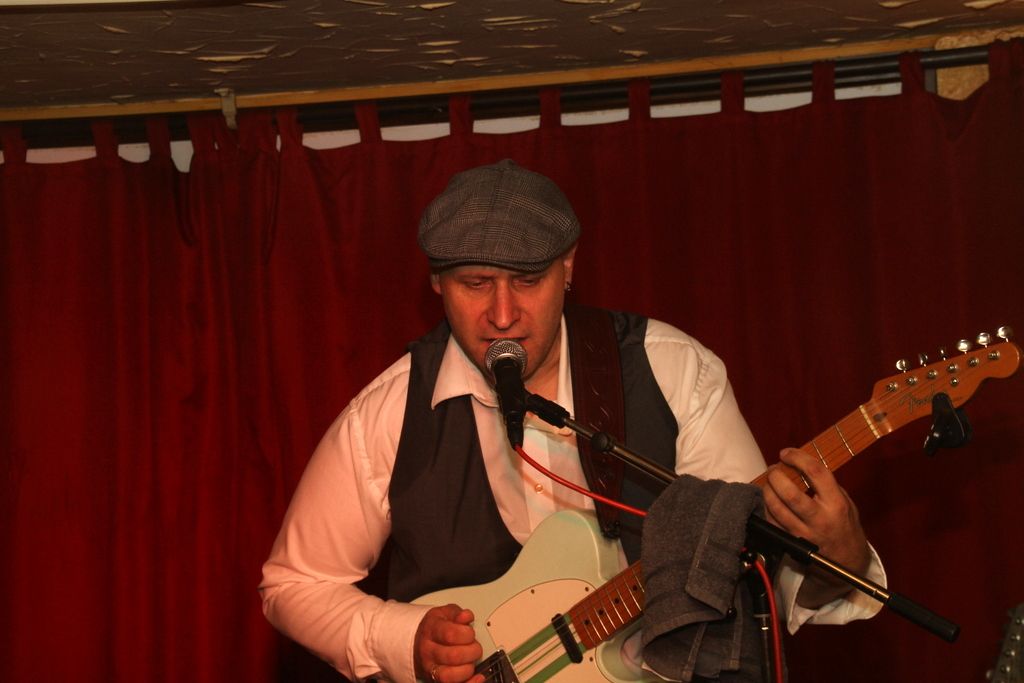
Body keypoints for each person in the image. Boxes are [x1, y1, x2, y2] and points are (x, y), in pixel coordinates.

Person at [260, 159, 885, 683]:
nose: (502, 314)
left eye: (528, 280)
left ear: (569, 268)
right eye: (475, 283)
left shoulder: (673, 371)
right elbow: (292, 585)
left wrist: (843, 559)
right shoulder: (388, 412)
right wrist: (404, 639)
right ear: (436, 283)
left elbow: (753, 580)